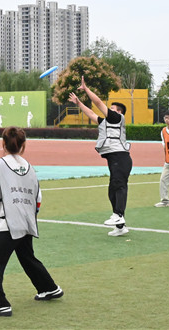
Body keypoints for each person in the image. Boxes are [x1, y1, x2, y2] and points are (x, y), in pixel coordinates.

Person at [0, 126, 63, 317]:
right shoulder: (29, 166)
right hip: (27, 221)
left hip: (8, 223)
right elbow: (38, 198)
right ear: (23, 145)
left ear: (3, 143)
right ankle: (49, 288)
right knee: (26, 256)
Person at [69, 76, 132, 237]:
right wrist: (78, 103)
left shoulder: (117, 118)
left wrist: (86, 89)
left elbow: (97, 104)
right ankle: (120, 226)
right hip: (113, 158)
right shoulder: (105, 122)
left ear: (119, 112)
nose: (108, 110)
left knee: (119, 185)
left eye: (112, 109)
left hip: (120, 157)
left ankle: (118, 214)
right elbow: (91, 112)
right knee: (112, 191)